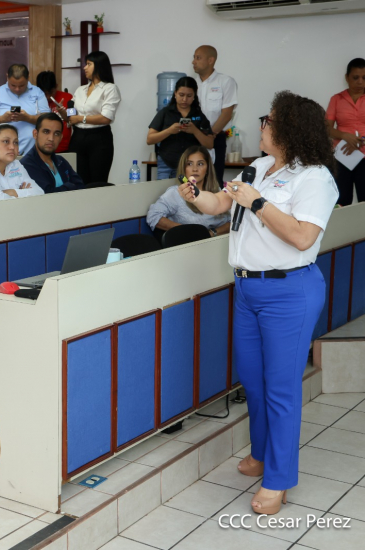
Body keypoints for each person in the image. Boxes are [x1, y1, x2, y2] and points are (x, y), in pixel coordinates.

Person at [179, 91, 338, 515]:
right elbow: (219, 203)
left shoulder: (316, 178)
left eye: (268, 120)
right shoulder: (259, 167)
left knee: (281, 388)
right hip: (248, 288)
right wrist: (194, 195)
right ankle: (262, 454)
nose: (262, 126)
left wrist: (259, 203)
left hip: (289, 291)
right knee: (253, 380)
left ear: (288, 130)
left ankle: (279, 479)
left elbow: (303, 237)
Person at [146, 145, 230, 236]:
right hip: (186, 242)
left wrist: (211, 233)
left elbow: (230, 221)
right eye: (189, 164)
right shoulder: (175, 193)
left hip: (216, 241)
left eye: (200, 164)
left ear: (207, 169)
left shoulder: (217, 190)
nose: (195, 169)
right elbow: (153, 216)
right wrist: (186, 231)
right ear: (184, 168)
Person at [66, 52, 121, 186]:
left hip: (99, 138)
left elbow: (106, 118)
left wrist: (80, 118)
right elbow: (72, 115)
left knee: (98, 182)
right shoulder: (80, 90)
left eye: (89, 64)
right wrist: (65, 113)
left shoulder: (110, 88)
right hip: (78, 137)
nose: (85, 67)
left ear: (99, 66)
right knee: (78, 181)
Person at [147, 77, 214, 180]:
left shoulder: (199, 115)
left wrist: (195, 131)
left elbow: (210, 144)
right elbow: (149, 139)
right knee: (163, 190)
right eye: (181, 95)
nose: (184, 99)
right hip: (166, 163)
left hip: (190, 166)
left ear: (194, 96)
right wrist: (169, 131)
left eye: (189, 96)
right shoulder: (165, 113)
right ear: (175, 94)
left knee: (187, 190)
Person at [192, 45, 239, 184]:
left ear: (210, 60)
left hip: (216, 138)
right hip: (193, 138)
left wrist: (209, 135)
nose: (193, 61)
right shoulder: (191, 83)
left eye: (198, 58)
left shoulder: (226, 81)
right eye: (194, 58)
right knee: (192, 181)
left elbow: (226, 114)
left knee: (214, 180)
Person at [326, 58, 365, 206]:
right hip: (342, 157)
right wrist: (345, 136)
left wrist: (361, 141)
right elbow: (326, 128)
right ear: (347, 77)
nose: (360, 82)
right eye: (355, 77)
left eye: (364, 78)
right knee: (341, 201)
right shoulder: (336, 99)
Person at [0, 64, 48, 155]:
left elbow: (47, 120)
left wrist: (28, 118)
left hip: (32, 150)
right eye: (13, 85)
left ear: (28, 78)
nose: (17, 89)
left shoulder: (38, 92)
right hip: (4, 151)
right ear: (7, 77)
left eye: (22, 85)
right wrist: (3, 119)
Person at [20, 113, 85, 194]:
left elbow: (80, 186)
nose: (51, 138)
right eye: (46, 132)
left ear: (61, 138)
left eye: (56, 134)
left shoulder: (61, 161)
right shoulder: (26, 164)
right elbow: (47, 194)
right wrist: (70, 186)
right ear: (35, 134)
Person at [36, 70, 72, 153]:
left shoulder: (68, 98)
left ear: (56, 86)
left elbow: (72, 120)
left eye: (51, 92)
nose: (48, 97)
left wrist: (64, 114)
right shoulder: (35, 100)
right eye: (44, 93)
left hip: (64, 147)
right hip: (42, 148)